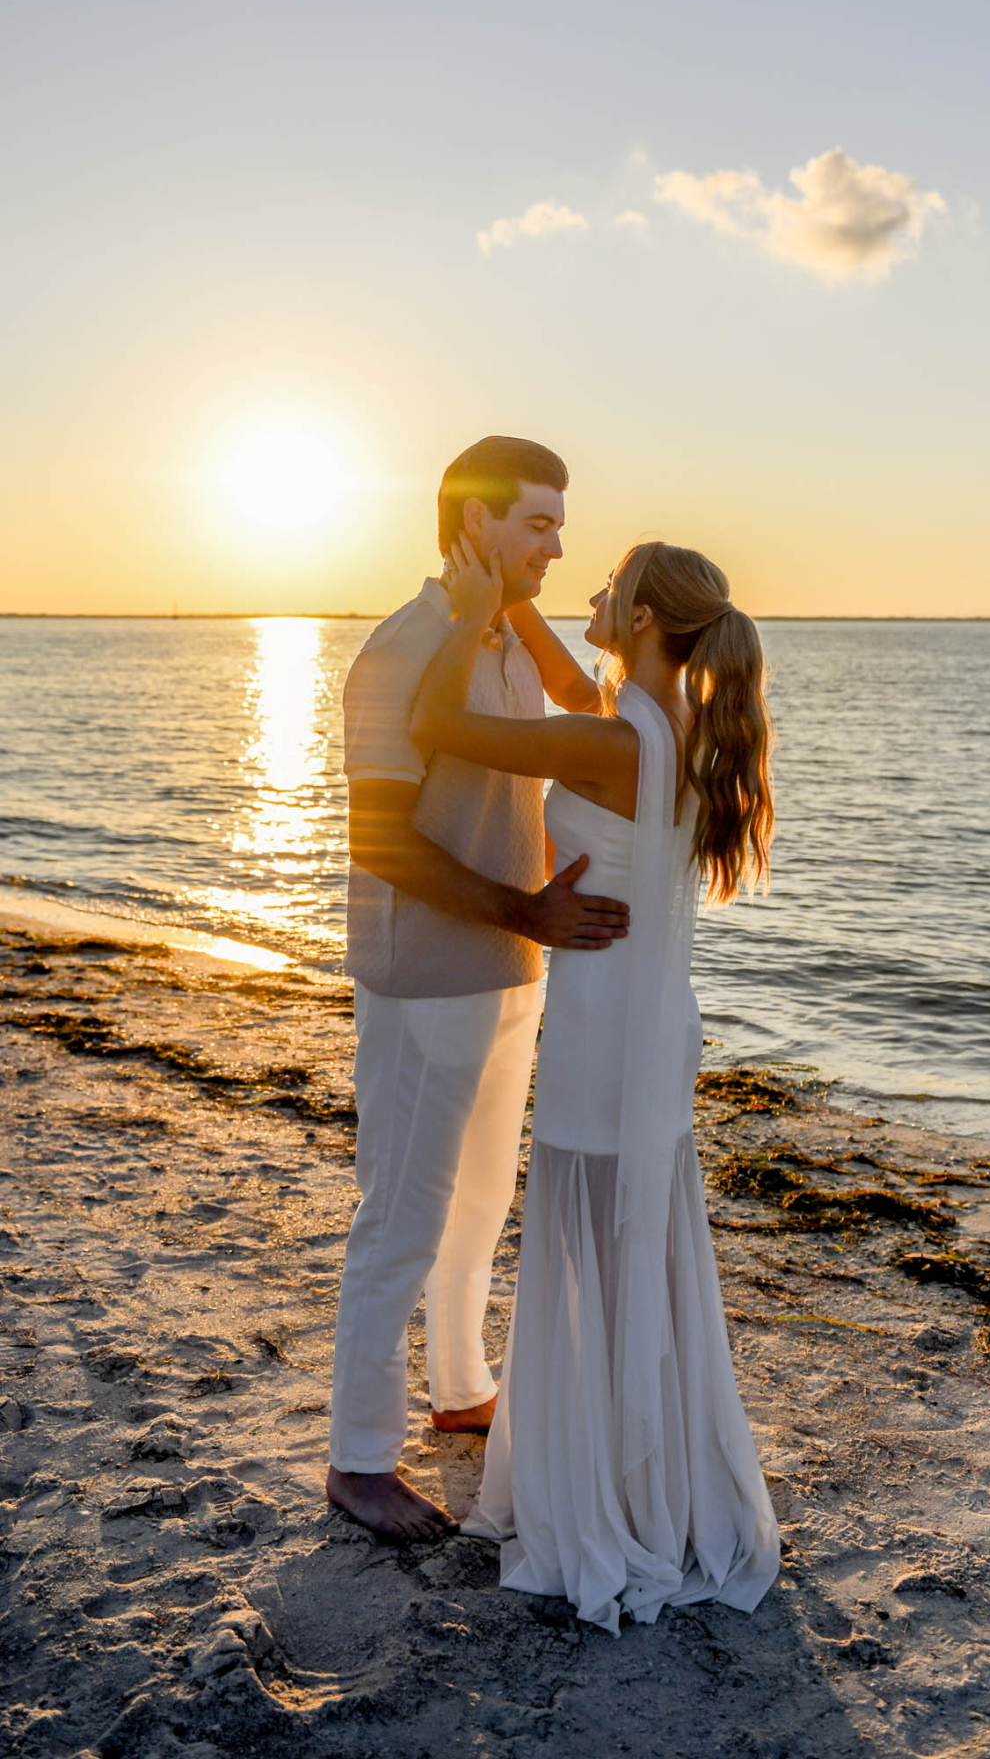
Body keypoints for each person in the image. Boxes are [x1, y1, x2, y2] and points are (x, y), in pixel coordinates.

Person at [411, 536, 781, 1631]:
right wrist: (518, 608)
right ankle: (638, 1466)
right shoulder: (659, 725)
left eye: (607, 591)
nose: (588, 596)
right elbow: (579, 690)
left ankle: (605, 1489)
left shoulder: (613, 740)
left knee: (586, 1236)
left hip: (603, 1027)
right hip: (651, 1029)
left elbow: (436, 726)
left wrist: (469, 610)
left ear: (648, 620)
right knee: (639, 1242)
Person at [326, 435, 630, 1543]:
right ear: (476, 524)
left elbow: (585, 710)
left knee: (478, 1207)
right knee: (401, 1213)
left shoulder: (488, 639)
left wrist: (532, 934)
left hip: (511, 969)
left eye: (559, 523)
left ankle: (462, 1388)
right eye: (539, 524)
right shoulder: (402, 650)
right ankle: (358, 1459)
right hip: (430, 975)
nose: (558, 543)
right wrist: (530, 915)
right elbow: (379, 844)